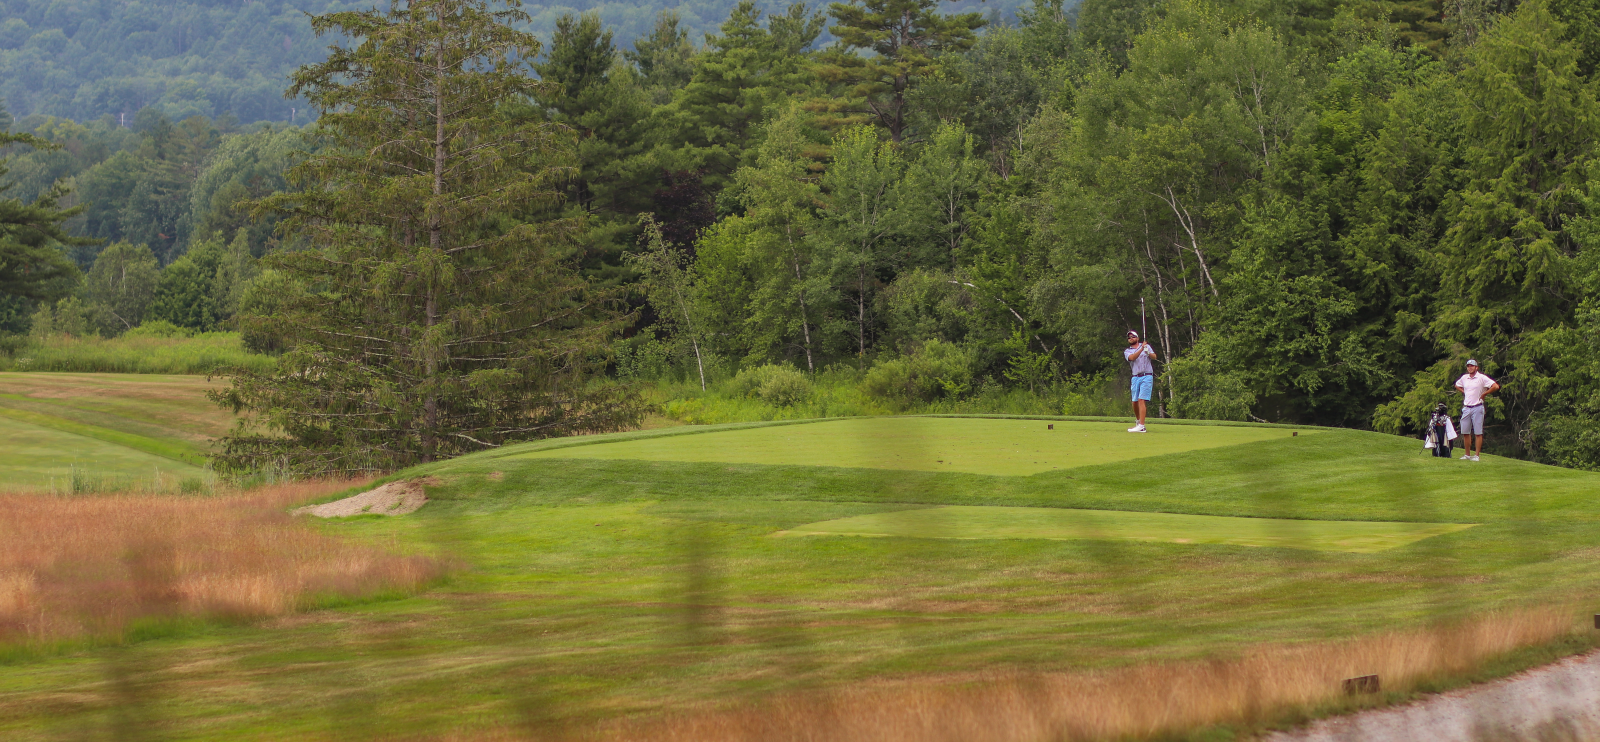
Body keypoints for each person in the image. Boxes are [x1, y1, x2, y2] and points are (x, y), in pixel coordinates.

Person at [1454, 359, 1500, 462]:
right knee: (1465, 432)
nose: (1470, 368)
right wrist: (1464, 391)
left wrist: (1484, 394)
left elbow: (1495, 386)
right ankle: (1467, 455)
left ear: (1476, 367)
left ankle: (1477, 455)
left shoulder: (1481, 378)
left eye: (1472, 366)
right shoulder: (1464, 378)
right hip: (1466, 407)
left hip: (1477, 407)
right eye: (1468, 366)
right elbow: (1457, 384)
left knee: (1478, 432)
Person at [1124, 331, 1157, 433]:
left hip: (1146, 376)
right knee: (1134, 401)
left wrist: (1148, 351)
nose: (1131, 338)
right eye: (1129, 337)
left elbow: (1154, 357)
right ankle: (1138, 422)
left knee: (1141, 400)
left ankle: (1142, 426)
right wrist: (1142, 348)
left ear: (1137, 338)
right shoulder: (1127, 351)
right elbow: (1132, 358)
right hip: (1135, 377)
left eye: (1133, 337)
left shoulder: (1146, 346)